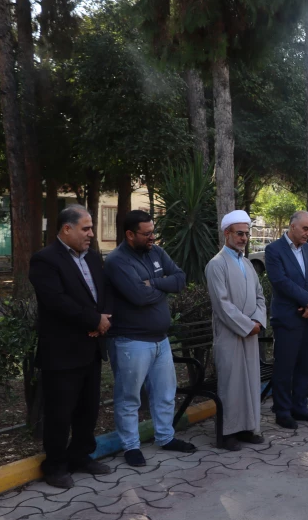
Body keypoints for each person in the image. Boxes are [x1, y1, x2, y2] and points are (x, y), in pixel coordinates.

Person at [28, 205, 113, 488]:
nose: (91, 234)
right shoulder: (45, 260)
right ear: (67, 229)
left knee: (88, 409)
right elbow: (57, 301)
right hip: (62, 352)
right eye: (86, 228)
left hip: (90, 348)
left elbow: (101, 293)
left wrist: (102, 320)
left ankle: (80, 456)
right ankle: (54, 465)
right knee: (59, 413)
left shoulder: (91, 258)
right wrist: (93, 320)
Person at [105, 210, 195, 466]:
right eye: (147, 234)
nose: (152, 237)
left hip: (160, 340)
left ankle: (166, 437)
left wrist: (153, 284)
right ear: (130, 234)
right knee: (129, 397)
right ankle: (131, 446)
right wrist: (161, 286)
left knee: (165, 393)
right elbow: (138, 297)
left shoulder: (156, 252)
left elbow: (180, 279)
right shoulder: (117, 261)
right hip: (130, 341)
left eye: (153, 232)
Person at [205, 210, 268, 451]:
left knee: (249, 381)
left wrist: (258, 322)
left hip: (250, 331)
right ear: (226, 234)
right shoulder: (216, 264)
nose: (243, 238)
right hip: (230, 334)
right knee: (231, 384)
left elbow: (260, 296)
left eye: (246, 234)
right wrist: (247, 325)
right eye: (239, 233)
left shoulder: (247, 264)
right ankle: (227, 433)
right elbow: (222, 305)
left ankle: (247, 428)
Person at [265, 210, 308, 429]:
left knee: (305, 365)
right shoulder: (274, 250)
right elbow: (280, 281)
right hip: (288, 318)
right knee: (285, 367)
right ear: (292, 227)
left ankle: (300, 407)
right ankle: (282, 411)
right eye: (305, 229)